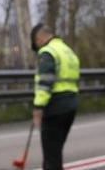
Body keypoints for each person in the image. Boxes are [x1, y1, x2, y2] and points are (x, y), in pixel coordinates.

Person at [31, 23, 80, 170]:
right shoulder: (67, 51)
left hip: (55, 107)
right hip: (71, 106)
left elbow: (45, 82)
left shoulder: (48, 52)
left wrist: (38, 108)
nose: (37, 47)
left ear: (39, 38)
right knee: (56, 151)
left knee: (51, 156)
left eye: (35, 43)